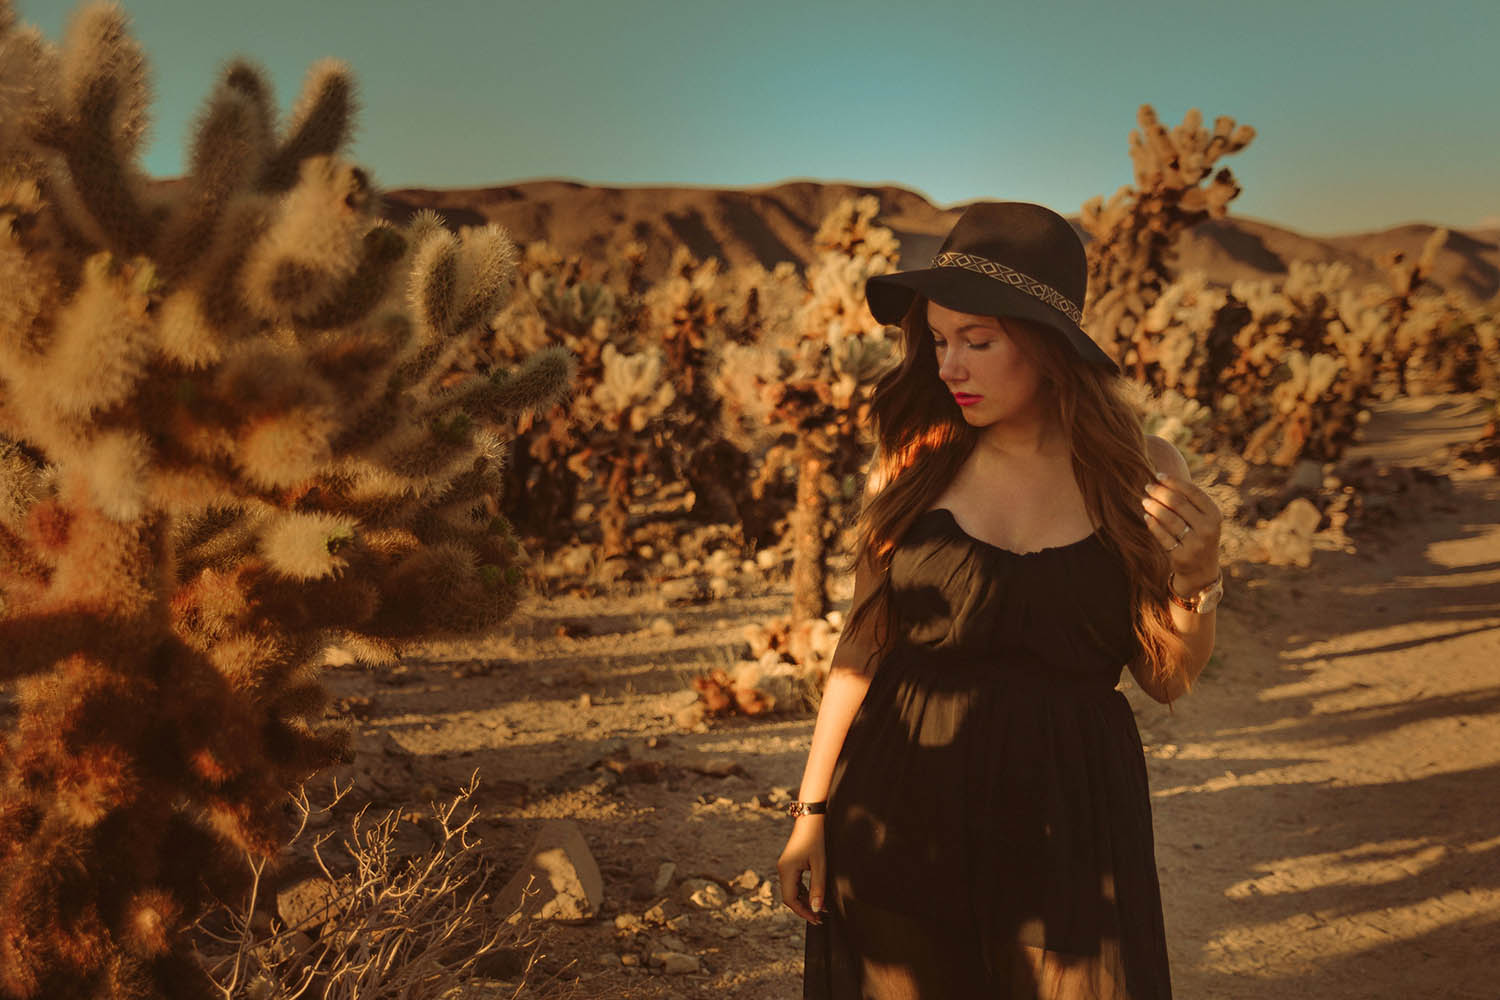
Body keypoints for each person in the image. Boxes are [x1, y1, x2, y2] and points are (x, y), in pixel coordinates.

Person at [777, 201, 1224, 999]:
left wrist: (1196, 582)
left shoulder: (1141, 470)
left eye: (978, 343)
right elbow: (862, 646)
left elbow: (1167, 678)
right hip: (903, 788)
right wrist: (812, 810)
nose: (950, 367)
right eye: (940, 341)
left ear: (1049, 349)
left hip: (1072, 807)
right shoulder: (915, 461)